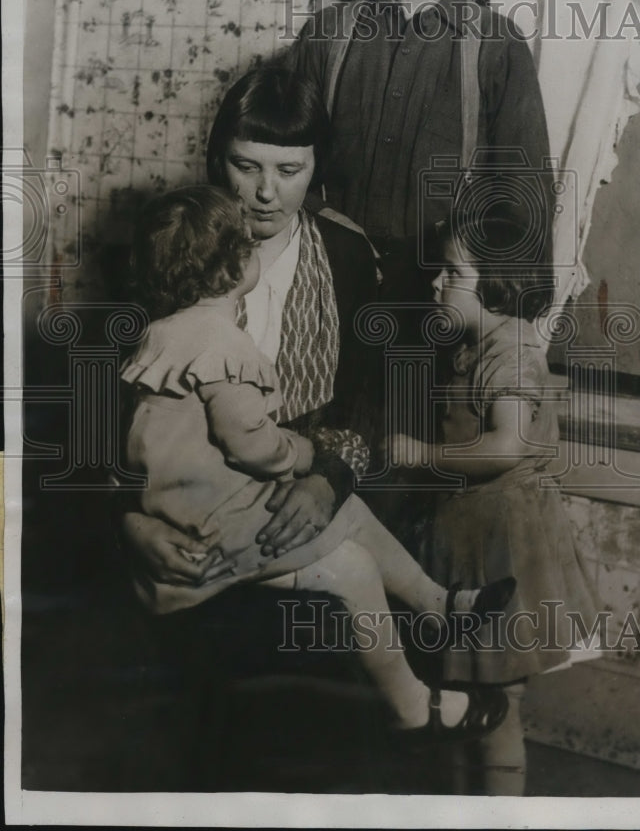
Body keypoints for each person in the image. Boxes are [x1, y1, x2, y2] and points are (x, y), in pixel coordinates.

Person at [121, 183, 516, 733]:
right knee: (351, 566)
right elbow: (253, 446)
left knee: (348, 510)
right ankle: (413, 704)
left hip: (188, 505)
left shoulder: (159, 336)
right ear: (237, 267)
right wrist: (300, 452)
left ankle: (440, 605)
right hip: (213, 529)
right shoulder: (224, 347)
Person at [121, 65, 378, 586]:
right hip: (186, 503)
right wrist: (129, 521)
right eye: (247, 166)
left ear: (316, 168)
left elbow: (368, 398)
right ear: (219, 160)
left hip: (304, 486)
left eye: (289, 171)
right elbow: (123, 410)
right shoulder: (176, 240)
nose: (266, 192)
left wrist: (328, 483)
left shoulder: (347, 254)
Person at [386, 211, 600, 790]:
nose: (436, 282)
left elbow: (506, 446)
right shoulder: (478, 343)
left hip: (501, 542)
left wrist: (419, 454)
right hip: (469, 531)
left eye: (452, 273)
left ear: (497, 285)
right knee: (460, 693)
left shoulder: (512, 352)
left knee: (494, 701)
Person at [289, 0, 553, 289]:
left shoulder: (498, 45)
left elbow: (524, 199)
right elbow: (278, 164)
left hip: (440, 303)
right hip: (324, 281)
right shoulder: (325, 33)